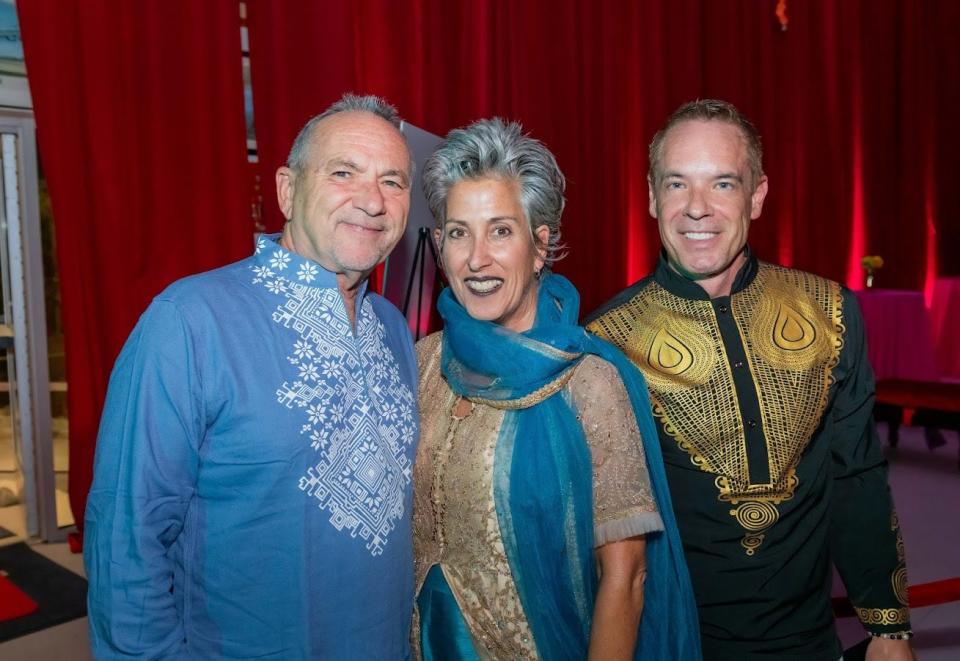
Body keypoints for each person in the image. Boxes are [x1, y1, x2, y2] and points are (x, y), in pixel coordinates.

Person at [84, 94, 419, 659]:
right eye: (344, 172)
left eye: (393, 181)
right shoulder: (189, 320)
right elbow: (127, 536)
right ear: (288, 191)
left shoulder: (392, 326)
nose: (372, 200)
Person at [586, 100, 915, 660]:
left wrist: (888, 628)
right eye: (676, 185)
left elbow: (856, 476)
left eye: (722, 184)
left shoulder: (830, 313)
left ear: (757, 195)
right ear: (650, 196)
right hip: (675, 645)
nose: (697, 209)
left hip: (810, 643)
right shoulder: (606, 343)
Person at [412, 118, 700, 660]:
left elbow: (627, 578)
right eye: (458, 232)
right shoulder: (424, 361)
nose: (477, 258)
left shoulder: (588, 381)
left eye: (501, 231)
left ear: (539, 246)